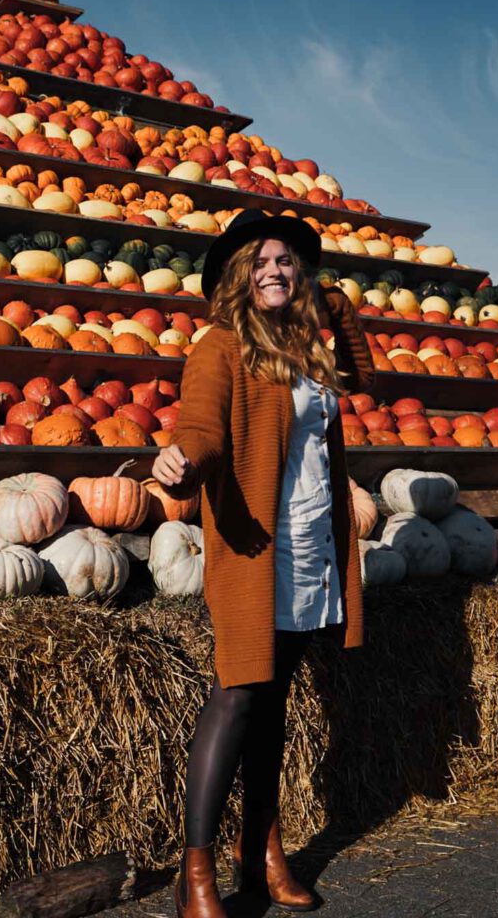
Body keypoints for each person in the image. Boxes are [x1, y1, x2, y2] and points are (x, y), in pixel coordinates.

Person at [151, 208, 375, 917]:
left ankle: (263, 853)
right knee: (238, 694)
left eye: (286, 261)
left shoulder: (306, 344)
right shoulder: (219, 346)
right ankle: (197, 876)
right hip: (255, 549)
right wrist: (180, 466)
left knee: (273, 703)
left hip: (310, 544)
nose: (274, 270)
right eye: (261, 261)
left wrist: (330, 300)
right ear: (237, 277)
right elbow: (200, 428)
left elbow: (364, 374)